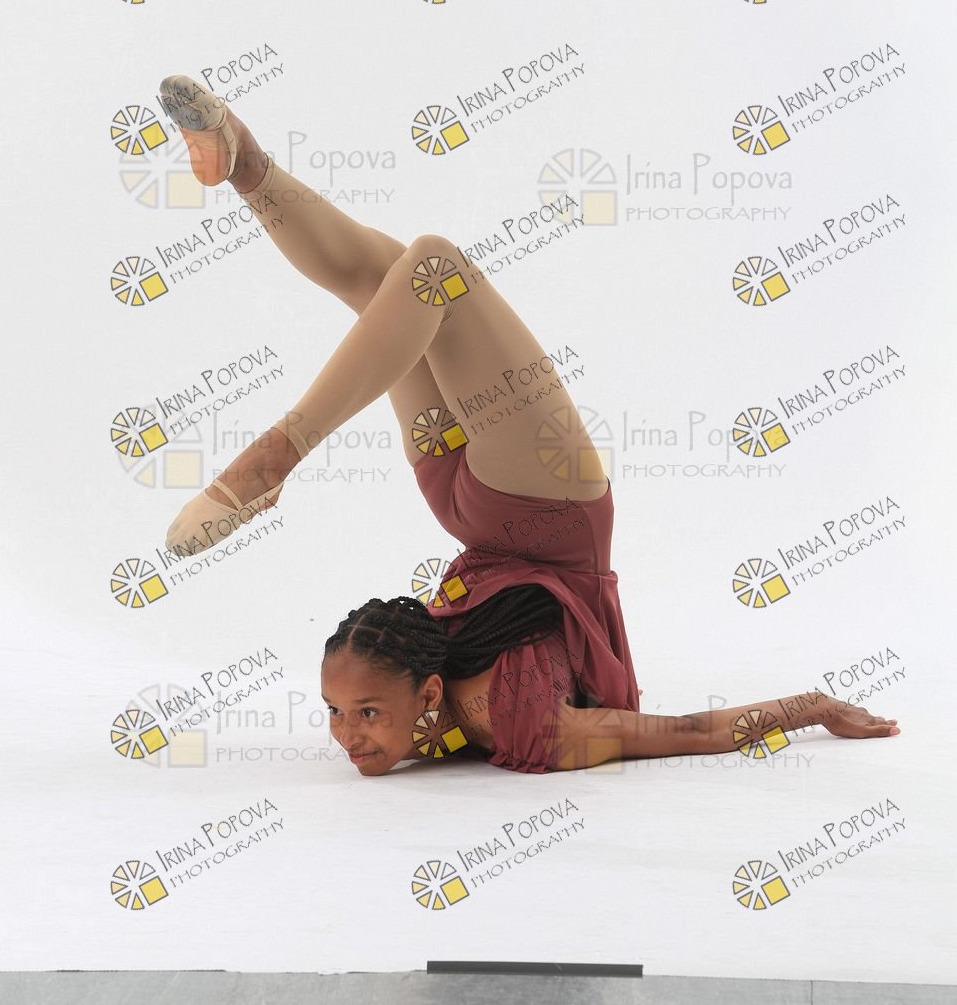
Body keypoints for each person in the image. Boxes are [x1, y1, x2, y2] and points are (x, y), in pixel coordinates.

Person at [159, 76, 902, 775]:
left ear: (427, 692)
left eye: (361, 712)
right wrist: (813, 706)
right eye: (341, 713)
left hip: (476, 511)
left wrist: (814, 708)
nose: (348, 737)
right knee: (411, 274)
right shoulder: (518, 723)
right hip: (546, 510)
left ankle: (274, 449)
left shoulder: (482, 710)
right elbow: (685, 731)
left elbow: (685, 732)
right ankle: (247, 168)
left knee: (415, 274)